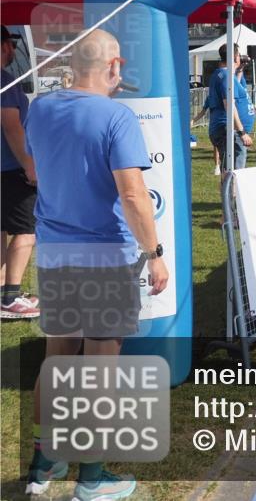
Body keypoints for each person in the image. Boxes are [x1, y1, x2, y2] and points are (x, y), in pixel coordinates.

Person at [24, 29, 168, 501]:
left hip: (55, 251)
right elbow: (134, 194)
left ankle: (44, 462)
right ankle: (92, 476)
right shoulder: (116, 115)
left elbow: (36, 169)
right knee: (101, 365)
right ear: (114, 66)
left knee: (59, 357)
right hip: (105, 255)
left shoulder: (41, 108)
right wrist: (155, 254)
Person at [1, 26, 40, 319]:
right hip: (11, 169)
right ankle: (11, 297)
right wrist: (30, 166)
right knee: (27, 230)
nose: (13, 50)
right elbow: (11, 126)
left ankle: (4, 290)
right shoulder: (5, 82)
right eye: (11, 44)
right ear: (4, 47)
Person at [207, 44, 253, 173]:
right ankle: (230, 188)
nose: (240, 58)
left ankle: (227, 187)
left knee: (228, 170)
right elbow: (229, 105)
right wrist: (241, 132)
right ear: (234, 57)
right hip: (229, 130)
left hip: (224, 129)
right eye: (238, 55)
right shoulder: (226, 75)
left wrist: (239, 70)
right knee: (235, 172)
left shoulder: (221, 74)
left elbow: (233, 88)